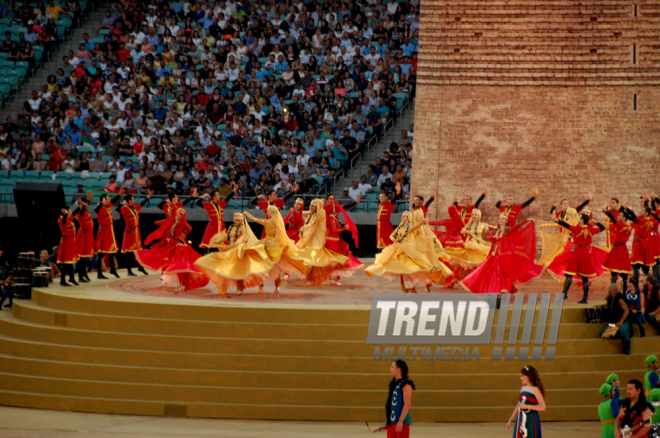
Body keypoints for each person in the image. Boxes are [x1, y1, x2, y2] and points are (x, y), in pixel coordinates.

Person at [365, 211, 451, 293]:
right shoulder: (400, 227)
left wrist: (421, 222)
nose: (402, 218)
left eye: (404, 216)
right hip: (397, 248)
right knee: (399, 269)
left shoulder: (409, 227)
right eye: (402, 216)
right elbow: (391, 235)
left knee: (408, 270)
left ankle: (410, 289)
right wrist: (394, 239)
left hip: (407, 250)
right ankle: (406, 289)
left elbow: (416, 226)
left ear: (408, 218)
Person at [195, 213, 274, 295]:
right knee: (224, 267)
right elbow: (226, 237)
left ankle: (240, 288)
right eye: (236, 220)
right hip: (230, 249)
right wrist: (218, 242)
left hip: (238, 250)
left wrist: (242, 241)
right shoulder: (231, 227)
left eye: (239, 220)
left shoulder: (242, 228)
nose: (237, 222)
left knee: (238, 269)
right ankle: (223, 286)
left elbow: (245, 236)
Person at [136, 206, 209, 291]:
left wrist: (184, 233)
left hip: (179, 245)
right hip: (173, 245)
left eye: (178, 213)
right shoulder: (174, 222)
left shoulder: (181, 222)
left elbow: (189, 228)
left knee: (179, 266)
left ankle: (182, 284)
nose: (177, 214)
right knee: (170, 262)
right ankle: (180, 284)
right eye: (177, 213)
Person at [461, 214, 538, 294]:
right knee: (488, 272)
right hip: (495, 255)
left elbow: (516, 227)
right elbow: (491, 238)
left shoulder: (508, 230)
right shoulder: (496, 230)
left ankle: (506, 288)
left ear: (506, 221)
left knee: (505, 273)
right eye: (500, 218)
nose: (501, 220)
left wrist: (527, 221)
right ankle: (496, 289)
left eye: (503, 219)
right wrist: (487, 232)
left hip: (504, 255)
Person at [243, 205, 311, 293]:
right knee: (276, 269)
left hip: (267, 247)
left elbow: (256, 219)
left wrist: (247, 214)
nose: (267, 212)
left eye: (268, 211)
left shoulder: (268, 222)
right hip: (277, 248)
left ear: (270, 212)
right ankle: (277, 287)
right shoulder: (279, 223)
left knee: (263, 268)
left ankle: (261, 287)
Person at [295, 198, 352, 285]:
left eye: (314, 206)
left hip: (315, 241)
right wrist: (344, 228)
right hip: (316, 241)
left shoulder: (319, 215)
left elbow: (310, 223)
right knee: (318, 260)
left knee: (315, 261)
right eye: (310, 205)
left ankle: (314, 278)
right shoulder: (324, 216)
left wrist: (302, 227)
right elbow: (333, 229)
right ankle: (318, 278)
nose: (311, 207)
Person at [555, 209, 606, 303]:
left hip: (576, 252)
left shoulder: (577, 228)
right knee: (585, 277)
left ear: (582, 220)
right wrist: (596, 222)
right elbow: (603, 228)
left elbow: (566, 225)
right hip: (586, 252)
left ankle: (564, 295)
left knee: (569, 274)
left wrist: (557, 220)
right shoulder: (591, 230)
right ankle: (585, 299)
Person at [323, 196, 364, 284]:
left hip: (330, 236)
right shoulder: (327, 211)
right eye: (331, 201)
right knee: (336, 259)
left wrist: (356, 202)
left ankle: (332, 277)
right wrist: (345, 228)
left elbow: (345, 206)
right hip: (333, 237)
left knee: (332, 259)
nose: (333, 203)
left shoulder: (333, 210)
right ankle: (333, 278)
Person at [118, 192, 152, 276]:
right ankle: (129, 271)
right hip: (130, 232)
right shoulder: (125, 208)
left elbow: (141, 204)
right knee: (129, 252)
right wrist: (122, 203)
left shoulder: (134, 208)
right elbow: (117, 209)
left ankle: (140, 267)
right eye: (133, 199)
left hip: (136, 232)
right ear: (128, 201)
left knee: (138, 250)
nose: (134, 200)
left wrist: (148, 197)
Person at [603, 201, 636, 286]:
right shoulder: (630, 225)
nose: (618, 216)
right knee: (624, 273)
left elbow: (611, 217)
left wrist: (606, 211)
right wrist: (627, 209)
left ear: (624, 218)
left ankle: (612, 291)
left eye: (620, 215)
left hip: (617, 249)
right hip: (623, 249)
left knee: (614, 271)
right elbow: (635, 219)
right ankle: (624, 291)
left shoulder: (619, 225)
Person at [506, 365, 545, 438]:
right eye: (521, 376)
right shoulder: (523, 388)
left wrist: (527, 406)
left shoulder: (535, 390)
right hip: (521, 418)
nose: (521, 378)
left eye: (523, 376)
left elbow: (542, 407)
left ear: (530, 376)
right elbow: (518, 405)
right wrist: (511, 419)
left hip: (531, 418)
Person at [197, 183, 238, 250]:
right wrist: (203, 197)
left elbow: (227, 198)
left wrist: (234, 191)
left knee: (223, 243)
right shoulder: (209, 205)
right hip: (213, 225)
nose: (220, 196)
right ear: (214, 197)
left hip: (221, 225)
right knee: (212, 243)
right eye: (218, 195)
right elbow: (198, 203)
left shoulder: (220, 204)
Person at [94, 192, 122, 279]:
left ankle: (113, 269)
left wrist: (119, 195)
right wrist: (101, 202)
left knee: (111, 251)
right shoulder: (99, 207)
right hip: (103, 231)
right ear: (103, 200)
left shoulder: (108, 207)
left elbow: (113, 201)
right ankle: (99, 273)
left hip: (110, 231)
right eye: (107, 198)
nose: (109, 200)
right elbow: (96, 210)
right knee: (102, 253)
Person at [599, 283, 631, 355]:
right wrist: (600, 305)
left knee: (622, 331)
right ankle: (617, 333)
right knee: (602, 333)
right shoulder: (610, 298)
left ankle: (626, 348)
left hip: (622, 321)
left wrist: (621, 321)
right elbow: (610, 305)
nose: (607, 291)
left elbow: (626, 311)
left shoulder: (620, 299)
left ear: (612, 290)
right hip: (613, 323)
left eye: (608, 289)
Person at [386, 360, 415, 438]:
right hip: (392, 422)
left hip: (402, 422)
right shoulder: (393, 384)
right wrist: (388, 420)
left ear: (399, 370)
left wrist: (401, 421)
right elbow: (390, 404)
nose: (390, 369)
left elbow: (407, 404)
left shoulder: (406, 385)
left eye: (392, 367)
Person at [57, 207, 79, 287]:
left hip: (71, 241)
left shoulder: (70, 219)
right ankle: (63, 280)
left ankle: (71, 278)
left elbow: (75, 212)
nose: (70, 212)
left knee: (70, 262)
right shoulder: (61, 219)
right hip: (66, 241)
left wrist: (81, 206)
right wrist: (65, 213)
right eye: (69, 211)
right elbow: (63, 222)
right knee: (66, 262)